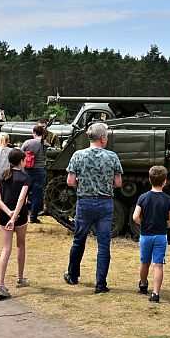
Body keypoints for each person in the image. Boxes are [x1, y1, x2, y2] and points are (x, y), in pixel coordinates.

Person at [63, 123, 123, 293]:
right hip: (105, 203)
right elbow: (118, 183)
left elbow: (70, 181)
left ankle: (73, 275)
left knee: (79, 240)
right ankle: (100, 284)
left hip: (85, 203)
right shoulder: (112, 157)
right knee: (104, 245)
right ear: (103, 138)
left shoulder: (77, 156)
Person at [132, 165, 170, 303]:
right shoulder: (168, 199)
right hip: (161, 236)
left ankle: (144, 284)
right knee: (158, 264)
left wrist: (142, 223)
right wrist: (165, 225)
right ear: (164, 181)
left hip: (146, 235)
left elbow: (135, 217)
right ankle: (156, 294)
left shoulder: (143, 197)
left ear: (150, 180)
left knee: (145, 262)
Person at [0, 148, 31, 298]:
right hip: (20, 215)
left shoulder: (2, 175)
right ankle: (20, 278)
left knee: (6, 249)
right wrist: (14, 216)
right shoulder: (25, 178)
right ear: (21, 161)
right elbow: (22, 199)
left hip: (4, 214)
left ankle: (1, 284)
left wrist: (8, 213)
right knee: (20, 244)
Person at [21, 126, 48, 223]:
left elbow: (20, 153)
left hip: (27, 170)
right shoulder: (46, 144)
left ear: (34, 133)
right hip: (40, 170)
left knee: (23, 194)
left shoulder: (28, 142)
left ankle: (20, 215)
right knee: (37, 195)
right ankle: (33, 217)